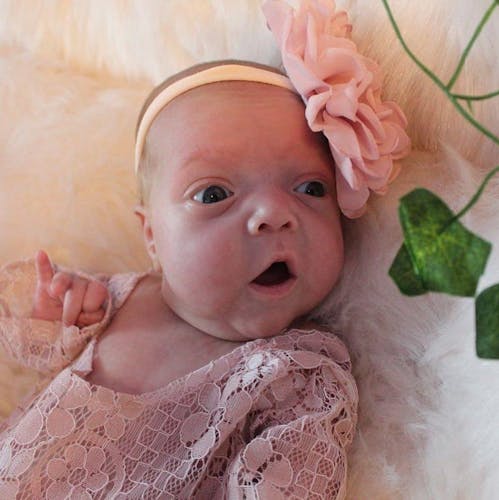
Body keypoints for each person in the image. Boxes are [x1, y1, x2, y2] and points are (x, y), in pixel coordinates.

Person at [0, 0, 409, 498]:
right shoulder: (116, 301)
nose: (273, 214)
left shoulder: (295, 376)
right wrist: (59, 316)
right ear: (152, 235)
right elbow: (35, 352)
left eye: (310, 188)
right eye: (214, 194)